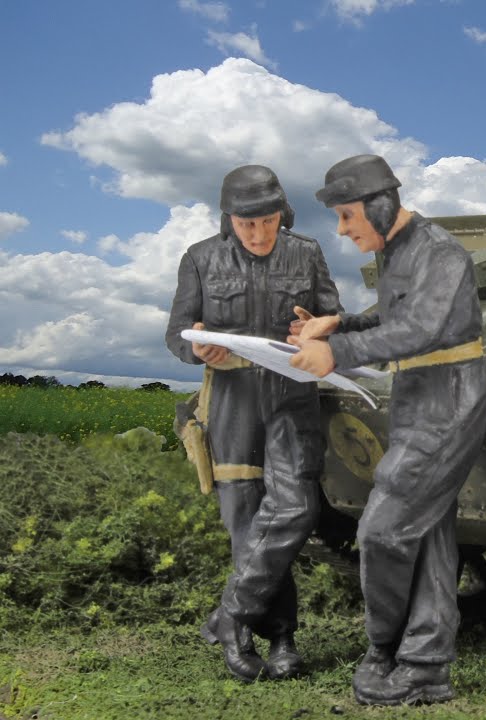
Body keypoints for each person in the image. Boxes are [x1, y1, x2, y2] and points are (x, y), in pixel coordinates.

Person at [289, 154, 486, 706]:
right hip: (416, 395)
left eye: (347, 216)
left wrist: (337, 351)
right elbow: (395, 315)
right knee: (427, 535)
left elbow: (422, 328)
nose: (341, 229)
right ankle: (425, 667)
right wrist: (341, 322)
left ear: (378, 207)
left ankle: (385, 648)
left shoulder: (440, 251)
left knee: (382, 529)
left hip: (447, 399)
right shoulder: (398, 249)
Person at [164, 164, 343, 682]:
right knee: (246, 520)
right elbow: (177, 333)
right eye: (247, 224)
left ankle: (230, 617)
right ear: (228, 219)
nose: (260, 234)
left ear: (282, 214)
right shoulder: (200, 258)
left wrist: (316, 330)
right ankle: (280, 637)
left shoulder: (307, 252)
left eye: (268, 222)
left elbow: (333, 317)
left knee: (295, 507)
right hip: (231, 399)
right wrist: (195, 347)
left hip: (292, 394)